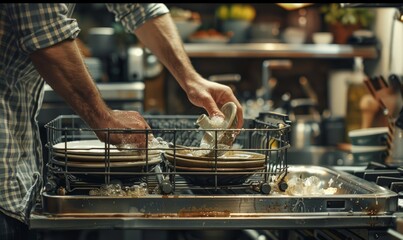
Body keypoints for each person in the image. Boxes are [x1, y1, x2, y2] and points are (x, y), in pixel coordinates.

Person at [0, 3, 243, 240]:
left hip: (17, 167)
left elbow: (140, 8)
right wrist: (104, 118)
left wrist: (192, 80)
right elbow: (46, 32)